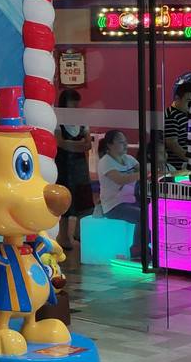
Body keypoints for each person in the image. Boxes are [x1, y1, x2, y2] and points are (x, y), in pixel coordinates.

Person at [55, 88, 94, 250]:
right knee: (66, 202)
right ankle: (63, 237)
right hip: (64, 165)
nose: (76, 107)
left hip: (79, 166)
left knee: (83, 200)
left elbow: (88, 144)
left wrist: (70, 145)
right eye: (73, 103)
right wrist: (78, 145)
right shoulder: (58, 120)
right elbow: (60, 143)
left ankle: (79, 234)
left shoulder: (82, 121)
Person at [97, 130, 141, 223]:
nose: (125, 145)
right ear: (110, 145)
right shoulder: (105, 161)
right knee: (142, 215)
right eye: (121, 142)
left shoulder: (129, 159)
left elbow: (143, 170)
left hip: (132, 200)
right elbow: (120, 179)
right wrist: (144, 174)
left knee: (153, 210)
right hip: (113, 205)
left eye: (125, 142)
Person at [163, 74, 191, 172]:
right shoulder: (171, 116)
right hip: (179, 168)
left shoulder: (186, 114)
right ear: (177, 98)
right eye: (188, 101)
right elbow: (173, 145)